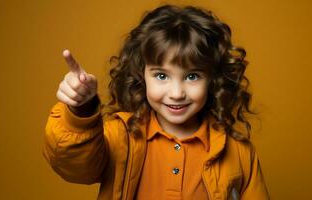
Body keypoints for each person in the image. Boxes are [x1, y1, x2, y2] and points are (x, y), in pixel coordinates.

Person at [43, 4, 269, 200]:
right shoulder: (120, 137)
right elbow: (74, 167)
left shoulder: (238, 152)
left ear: (213, 79)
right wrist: (81, 108)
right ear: (142, 75)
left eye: (192, 76)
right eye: (162, 75)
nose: (177, 93)